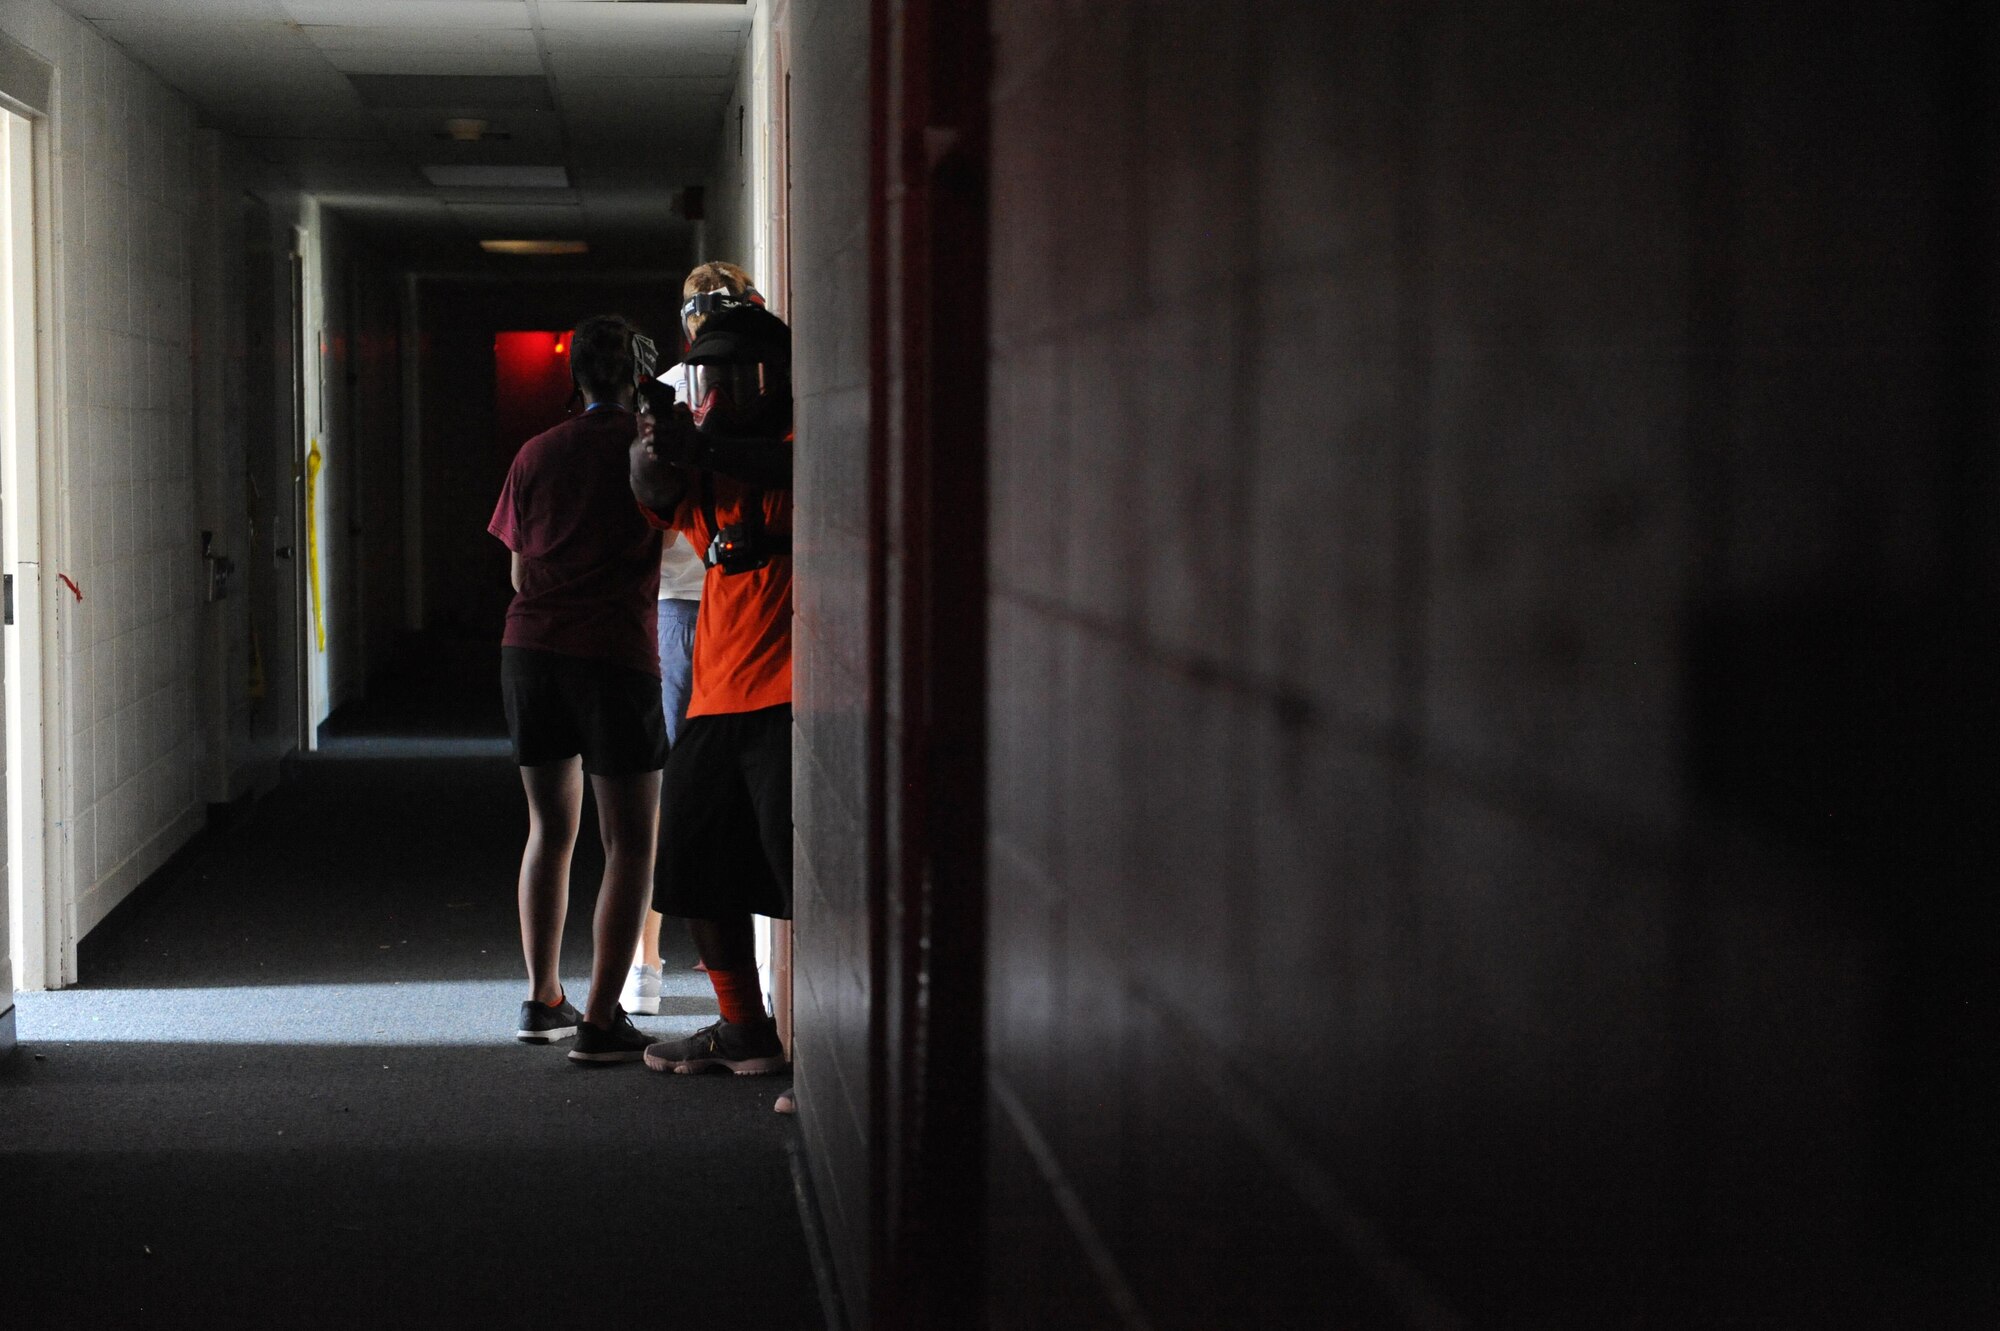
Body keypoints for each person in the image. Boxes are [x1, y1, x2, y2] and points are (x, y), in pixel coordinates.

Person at [628, 262, 796, 1076]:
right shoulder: (712, 465)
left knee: (804, 874)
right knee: (693, 871)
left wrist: (710, 442)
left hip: (797, 696)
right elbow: (654, 491)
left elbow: (799, 468)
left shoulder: (798, 442)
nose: (724, 388)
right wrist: (655, 442)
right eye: (712, 374)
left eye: (740, 374)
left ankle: (833, 1051)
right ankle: (743, 1027)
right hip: (718, 694)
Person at [488, 314, 665, 1064]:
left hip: (530, 651)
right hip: (614, 653)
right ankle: (599, 1020)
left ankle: (542, 997)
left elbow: (519, 571)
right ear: (640, 375)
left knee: (548, 830)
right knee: (629, 842)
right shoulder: (648, 449)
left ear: (577, 378)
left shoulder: (535, 452)